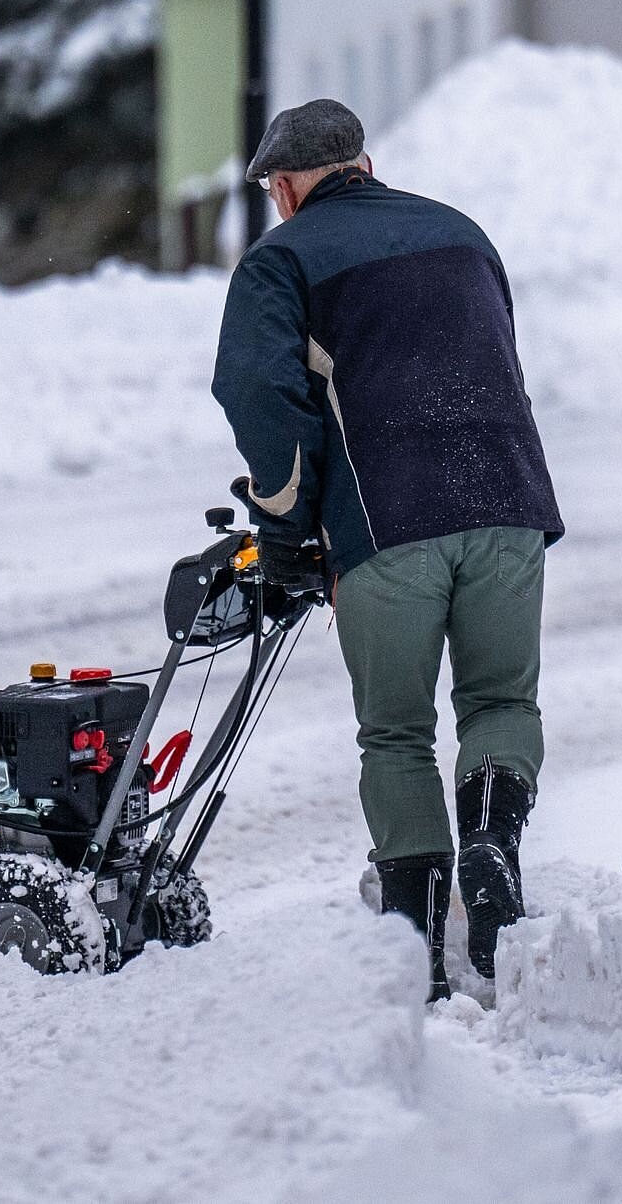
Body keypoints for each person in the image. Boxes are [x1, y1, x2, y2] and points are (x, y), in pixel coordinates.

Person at [212, 99, 563, 1000]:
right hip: (510, 503)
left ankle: (419, 952)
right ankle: (491, 842)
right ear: (363, 165)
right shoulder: (463, 233)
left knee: (397, 732)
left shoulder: (280, 261)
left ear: (286, 187)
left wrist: (286, 529)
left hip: (386, 523)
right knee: (500, 700)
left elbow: (263, 399)